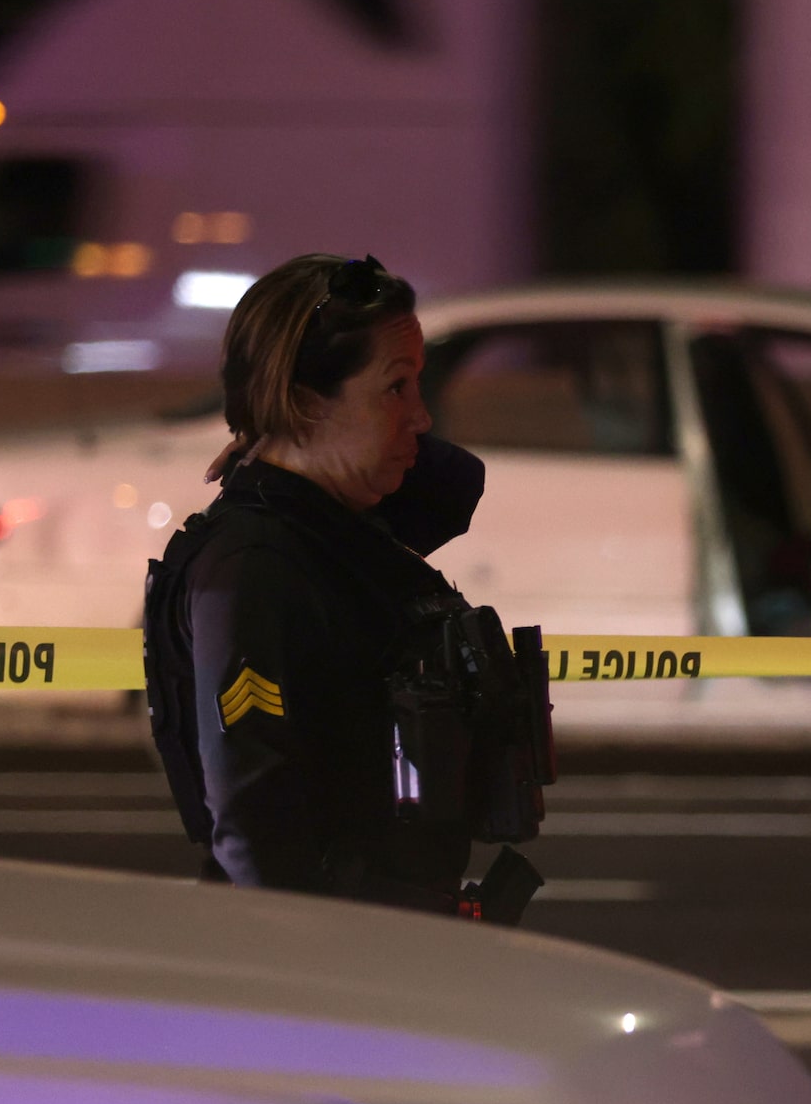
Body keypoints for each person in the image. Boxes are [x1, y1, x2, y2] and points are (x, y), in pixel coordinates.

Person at [144, 252, 548, 914]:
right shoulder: (253, 567)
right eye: (396, 388)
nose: (420, 416)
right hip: (334, 962)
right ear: (307, 401)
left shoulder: (339, 528)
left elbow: (454, 487)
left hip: (395, 942)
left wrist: (283, 437)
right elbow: (255, 831)